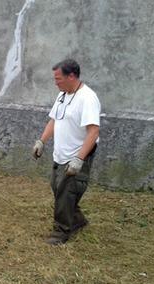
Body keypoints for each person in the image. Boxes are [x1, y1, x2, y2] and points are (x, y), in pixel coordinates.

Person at [32, 59, 100, 245]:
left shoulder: (87, 98)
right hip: (60, 154)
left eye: (58, 78)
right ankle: (77, 219)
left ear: (71, 76)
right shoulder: (62, 95)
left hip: (77, 156)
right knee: (58, 188)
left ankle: (61, 232)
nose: (56, 82)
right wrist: (41, 141)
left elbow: (93, 131)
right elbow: (54, 120)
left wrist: (79, 159)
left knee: (66, 192)